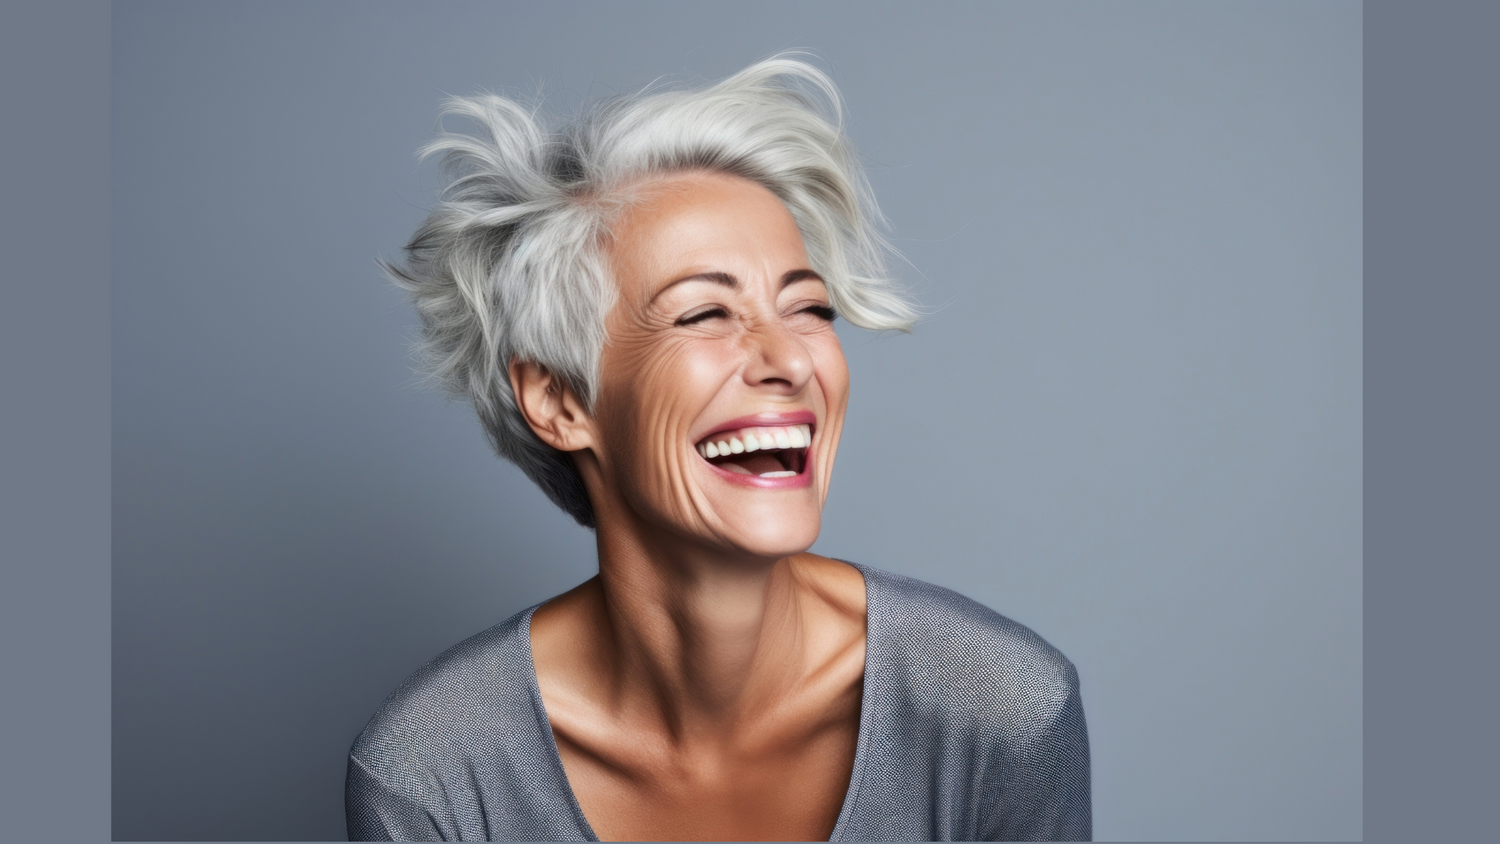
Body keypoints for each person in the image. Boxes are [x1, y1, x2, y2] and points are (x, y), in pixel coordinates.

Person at [346, 56, 1090, 842]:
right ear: (561, 402)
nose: (792, 360)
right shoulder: (432, 773)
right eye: (705, 314)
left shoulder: (998, 710)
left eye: (807, 307)